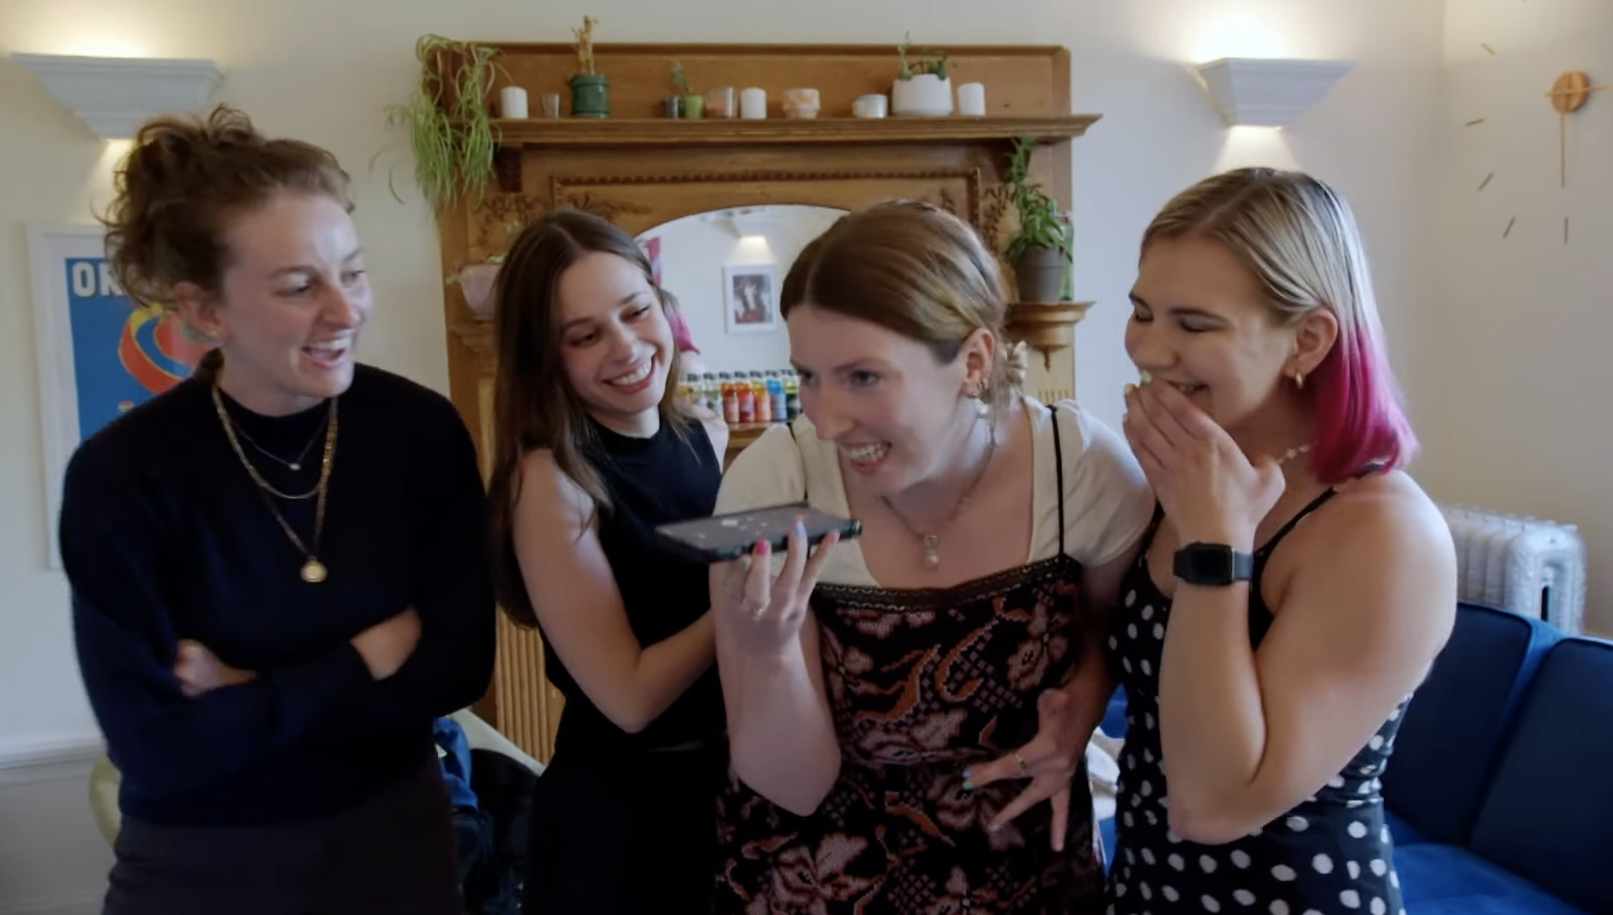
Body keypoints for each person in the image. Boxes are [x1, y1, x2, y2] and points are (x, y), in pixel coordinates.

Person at [58, 105, 496, 915]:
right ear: (204, 312)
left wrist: (249, 689)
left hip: (398, 848)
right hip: (205, 869)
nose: (345, 311)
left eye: (352, 272)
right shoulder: (123, 475)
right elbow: (157, 750)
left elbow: (460, 667)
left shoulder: (418, 432)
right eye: (300, 286)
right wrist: (361, 658)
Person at [708, 200, 1154, 914]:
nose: (824, 420)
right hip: (823, 879)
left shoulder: (1081, 470)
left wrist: (1083, 709)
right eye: (808, 377)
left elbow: (1113, 638)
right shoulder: (775, 482)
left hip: (1026, 869)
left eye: (862, 377)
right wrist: (766, 654)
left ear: (972, 360)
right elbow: (790, 783)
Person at [1106, 167, 1457, 915]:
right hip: (1143, 889)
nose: (1149, 350)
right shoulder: (1192, 469)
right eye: (1141, 312)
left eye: (1194, 325)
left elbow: (1213, 804)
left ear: (1306, 339)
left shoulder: (1380, 530)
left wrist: (1213, 542)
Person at [485, 209, 731, 914]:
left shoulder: (702, 435)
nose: (626, 347)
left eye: (635, 311)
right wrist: (747, 592)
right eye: (585, 336)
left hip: (724, 792)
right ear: (546, 358)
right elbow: (627, 698)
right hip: (623, 823)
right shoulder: (549, 480)